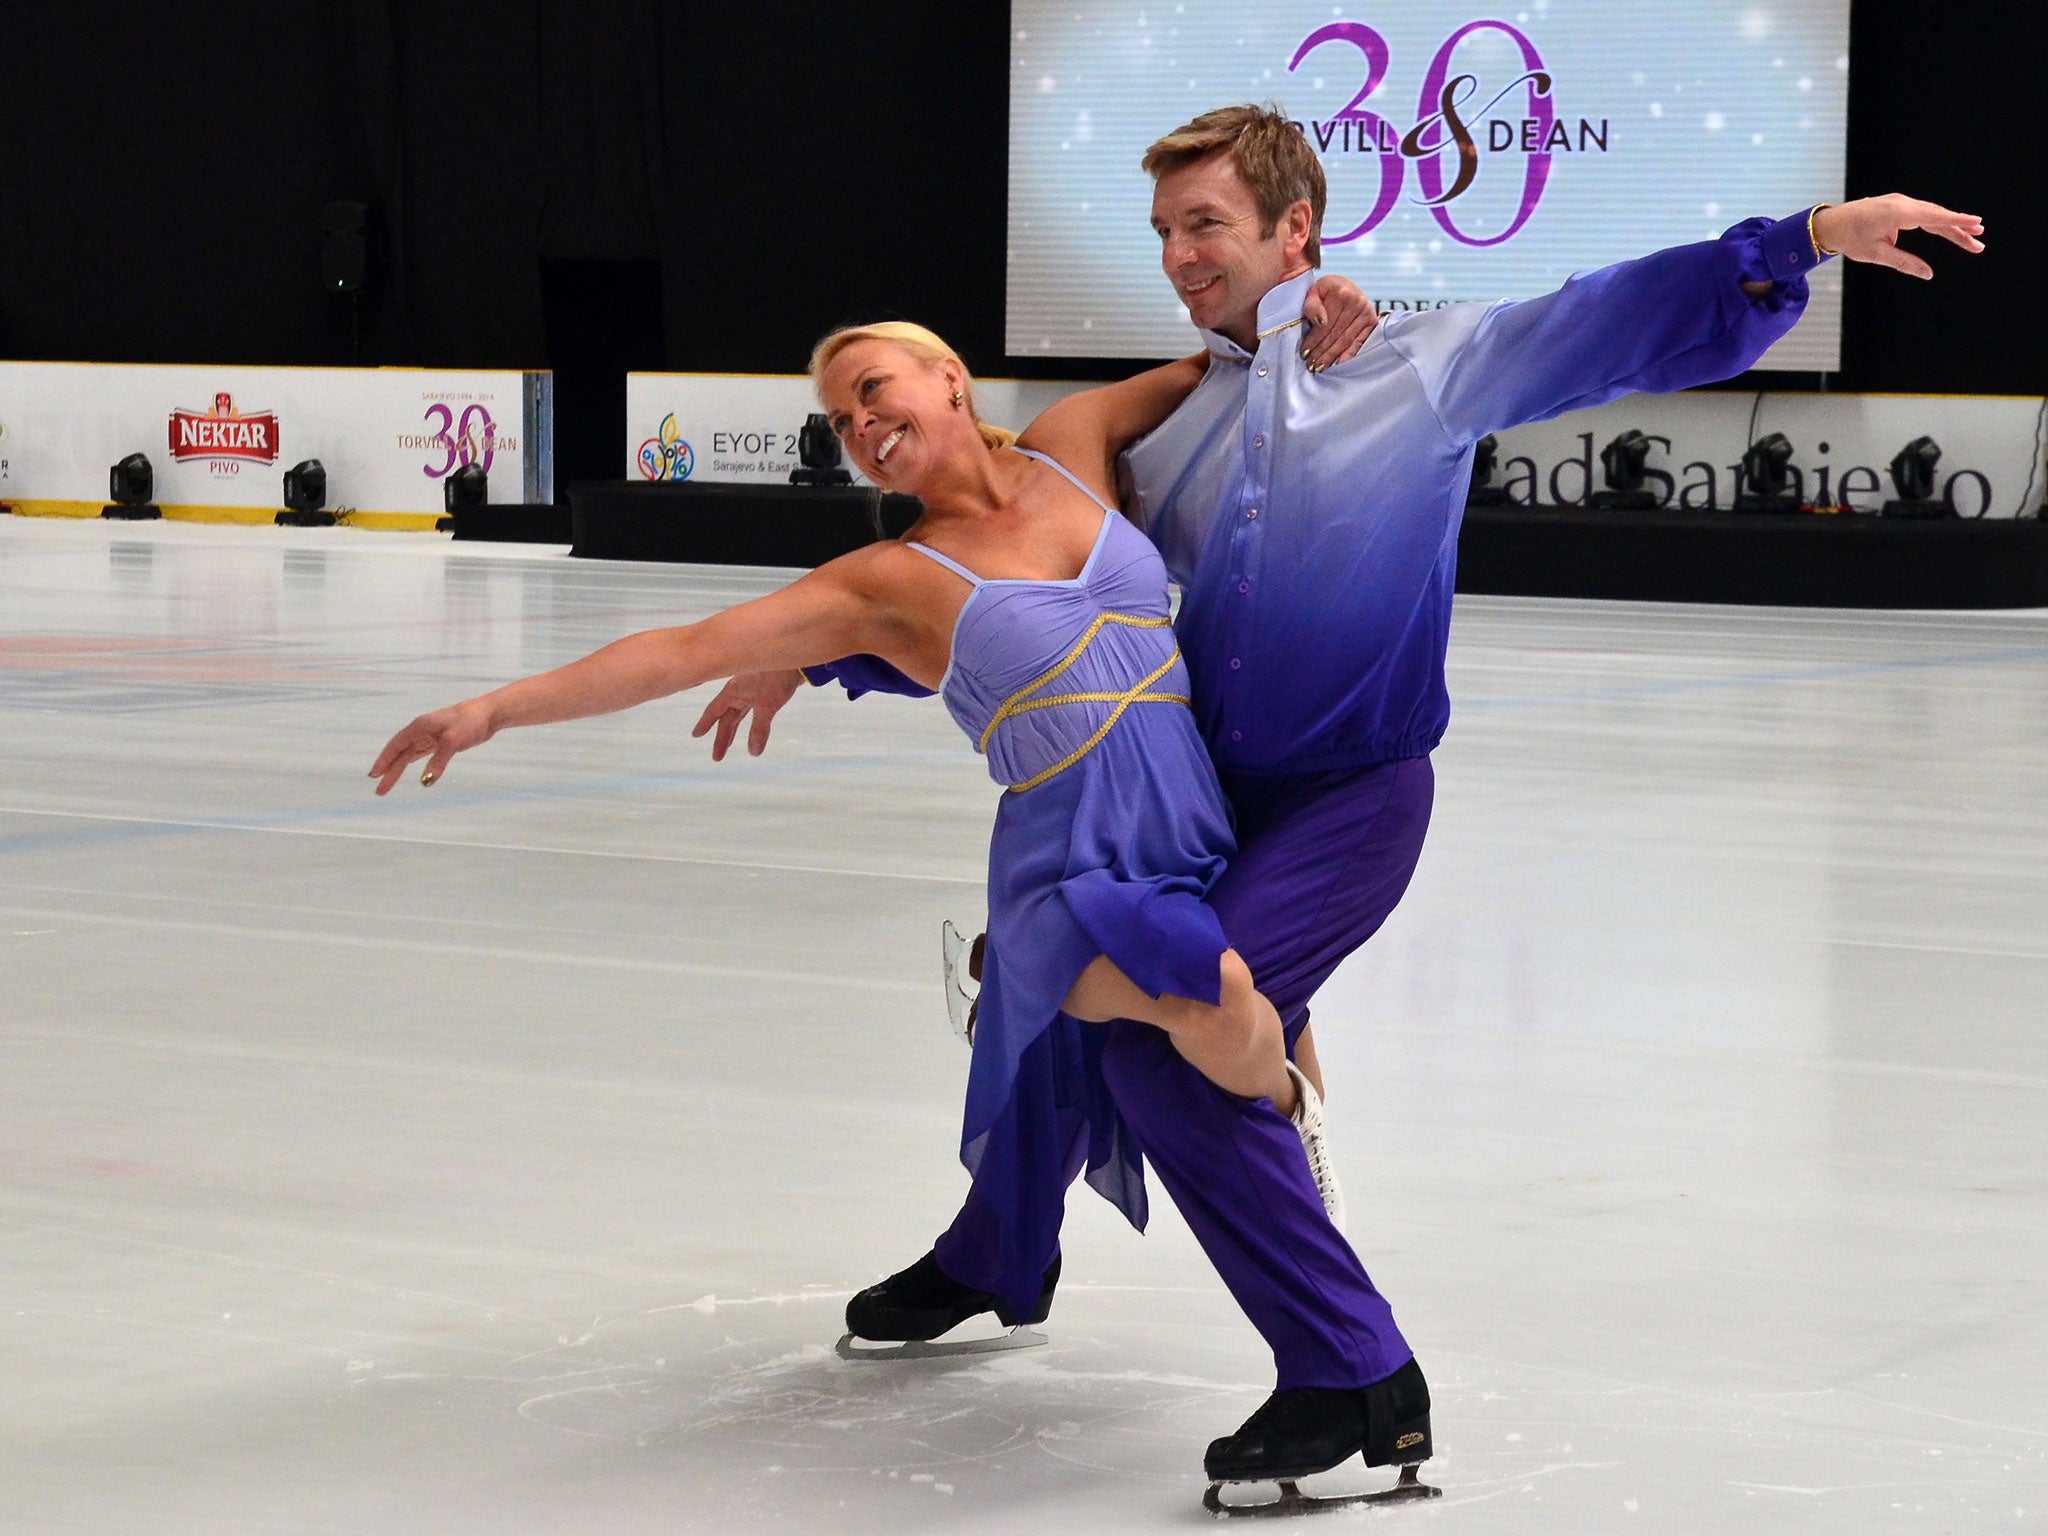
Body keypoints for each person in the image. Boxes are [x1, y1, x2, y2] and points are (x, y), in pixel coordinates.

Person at [693, 105, 1984, 1497]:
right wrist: (835, 655)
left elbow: (1603, 316)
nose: (1182, 255)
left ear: (1292, 227)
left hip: (1353, 800)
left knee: (1157, 1041)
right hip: (1204, 795)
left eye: (1208, 226)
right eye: (1167, 232)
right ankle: (1001, 1255)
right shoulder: (1175, 420)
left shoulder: (1417, 365)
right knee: (1051, 961)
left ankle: (1357, 1380)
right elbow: (1048, 603)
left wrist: (1795, 243)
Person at [366, 313, 1396, 1411]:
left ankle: (1004, 1254)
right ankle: (1291, 1205)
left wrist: (1323, 302)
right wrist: (490, 709)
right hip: (1069, 862)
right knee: (1207, 1001)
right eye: (840, 418)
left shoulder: (1075, 440)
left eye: (870, 389)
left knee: (1081, 1047)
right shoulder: (880, 579)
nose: (858, 423)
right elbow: (680, 650)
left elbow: (1229, 362)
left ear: (949, 379)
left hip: (1196, 824)